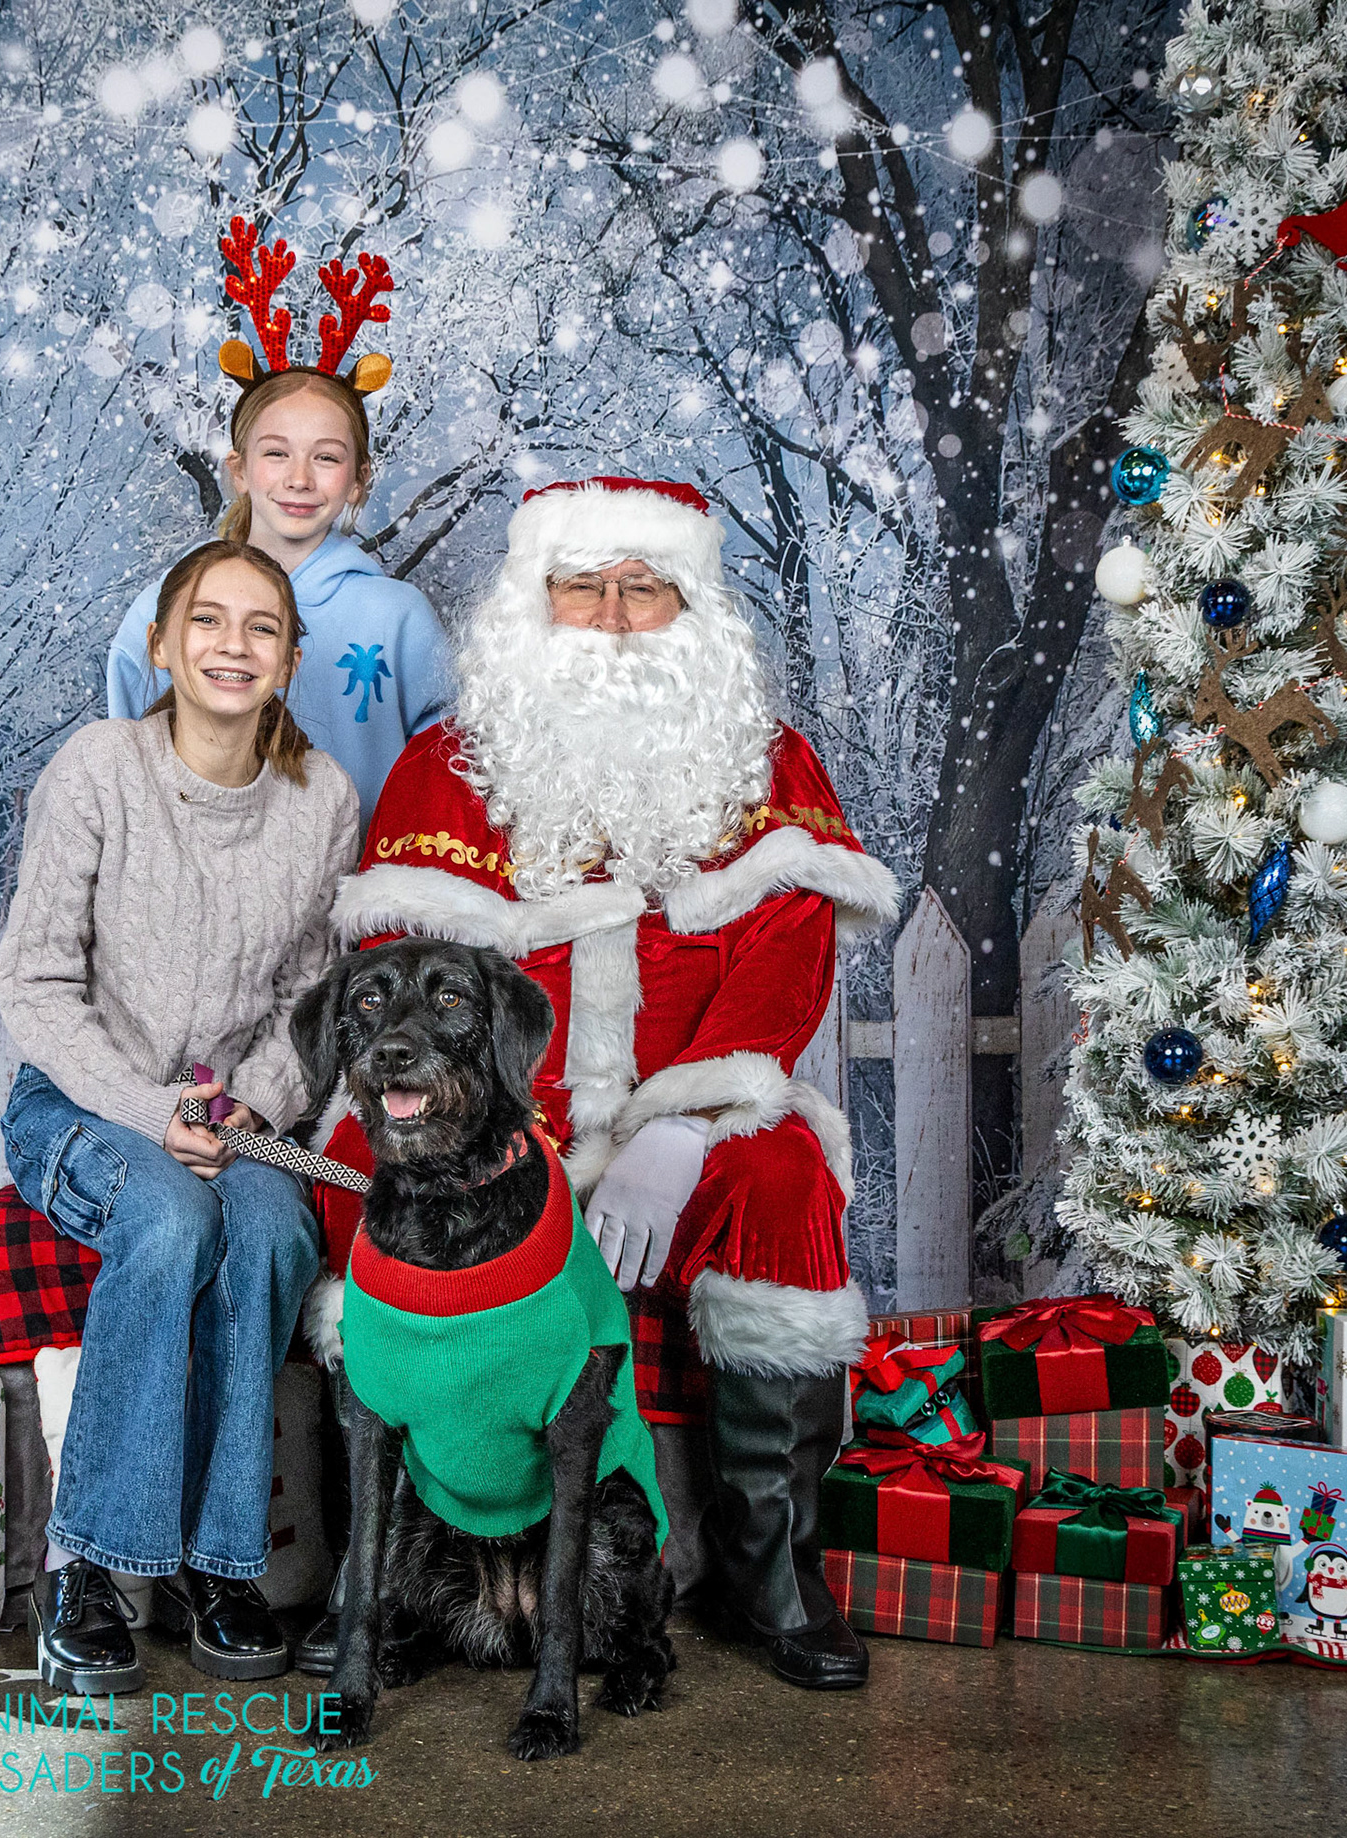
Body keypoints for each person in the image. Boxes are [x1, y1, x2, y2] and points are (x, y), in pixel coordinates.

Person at [306, 477, 900, 1691]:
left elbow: (784, 966)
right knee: (361, 1163)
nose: (615, 615)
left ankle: (772, 1570)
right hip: (494, 1118)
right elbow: (402, 988)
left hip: (696, 1121)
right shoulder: (446, 769)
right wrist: (498, 1129)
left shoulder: (770, 764)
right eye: (584, 585)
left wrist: (681, 1127)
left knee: (786, 1177)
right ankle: (384, 1570)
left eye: (646, 587)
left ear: (695, 607)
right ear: (535, 601)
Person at [0, 538, 358, 1694]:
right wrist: (148, 1111)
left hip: (232, 1111)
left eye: (261, 627)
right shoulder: (99, 768)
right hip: (81, 1102)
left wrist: (258, 1099)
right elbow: (30, 982)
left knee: (272, 1229)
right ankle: (88, 1569)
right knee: (168, 1220)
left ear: (289, 660)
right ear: (161, 644)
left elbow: (309, 998)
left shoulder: (323, 800)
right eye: (207, 619)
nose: (231, 645)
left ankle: (221, 1564)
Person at [105, 225, 452, 835]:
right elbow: (126, 760)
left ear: (359, 480)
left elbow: (445, 774)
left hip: (363, 887)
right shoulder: (166, 604)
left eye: (326, 457)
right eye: (275, 453)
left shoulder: (399, 618)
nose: (299, 478)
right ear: (238, 470)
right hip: (197, 880)